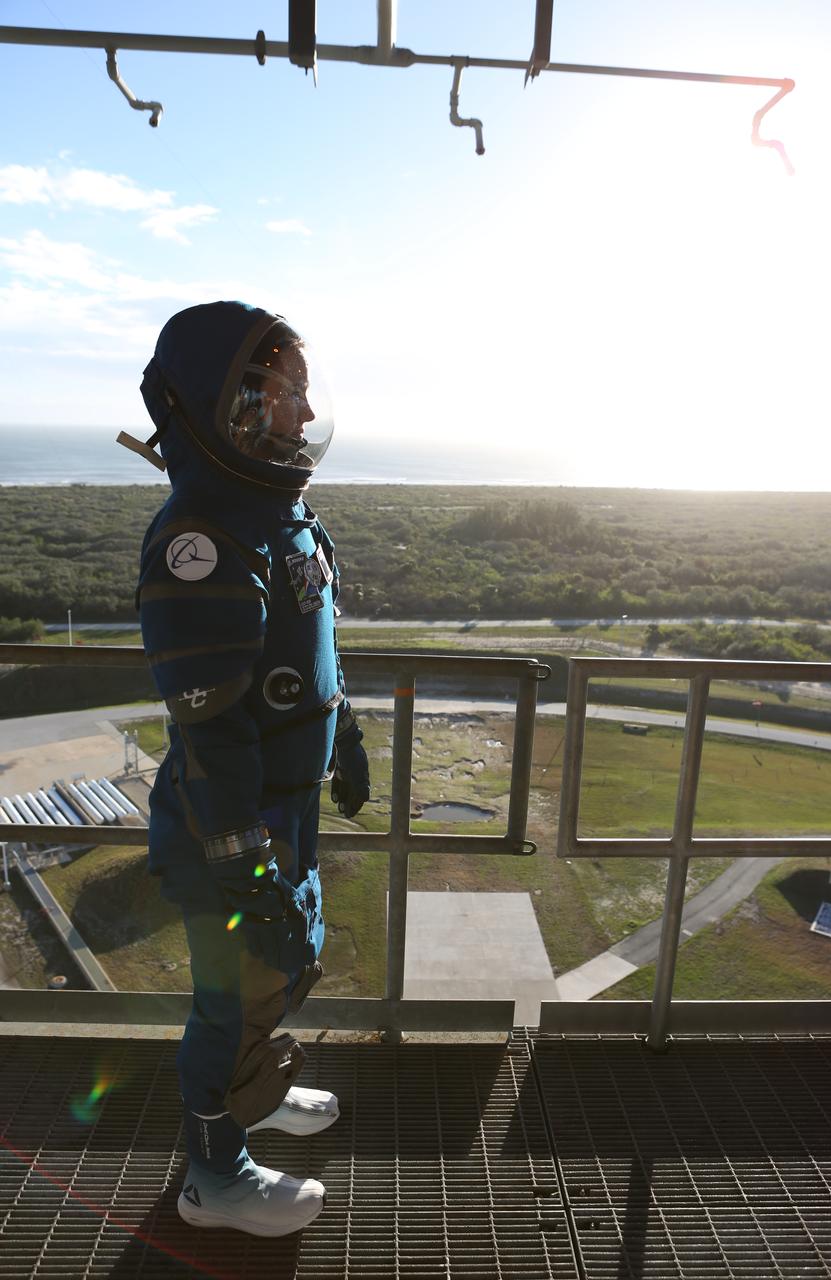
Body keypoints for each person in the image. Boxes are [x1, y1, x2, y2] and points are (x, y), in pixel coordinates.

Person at [123, 300, 370, 1237]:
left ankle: (255, 1101)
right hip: (231, 823)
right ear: (219, 407)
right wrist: (240, 856)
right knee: (227, 1001)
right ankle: (213, 1181)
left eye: (303, 396)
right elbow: (212, 730)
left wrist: (341, 739)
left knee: (283, 966)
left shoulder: (277, 517)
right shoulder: (202, 540)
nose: (301, 418)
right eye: (280, 397)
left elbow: (305, 657)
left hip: (282, 808)